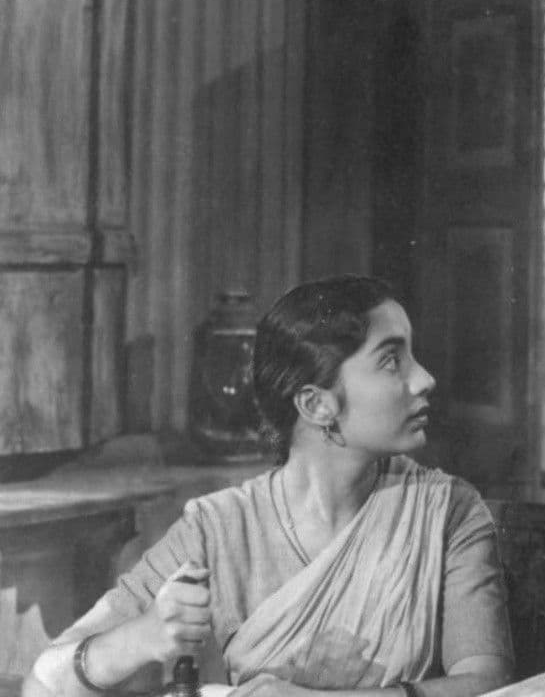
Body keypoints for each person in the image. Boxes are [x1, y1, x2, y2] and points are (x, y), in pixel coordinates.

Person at [24, 275, 513, 697]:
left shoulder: (447, 511)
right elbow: (43, 683)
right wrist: (141, 637)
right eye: (391, 361)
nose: (424, 379)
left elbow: (488, 684)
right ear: (316, 405)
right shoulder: (218, 529)